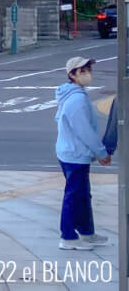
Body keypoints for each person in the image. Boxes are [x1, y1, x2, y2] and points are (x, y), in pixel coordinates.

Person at [55, 56, 113, 250]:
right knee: (74, 195)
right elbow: (85, 131)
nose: (87, 74)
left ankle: (87, 233)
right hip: (75, 154)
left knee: (82, 194)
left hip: (71, 152)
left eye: (88, 70)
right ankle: (68, 236)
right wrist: (101, 153)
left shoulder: (71, 94)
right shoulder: (76, 99)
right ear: (71, 75)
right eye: (82, 71)